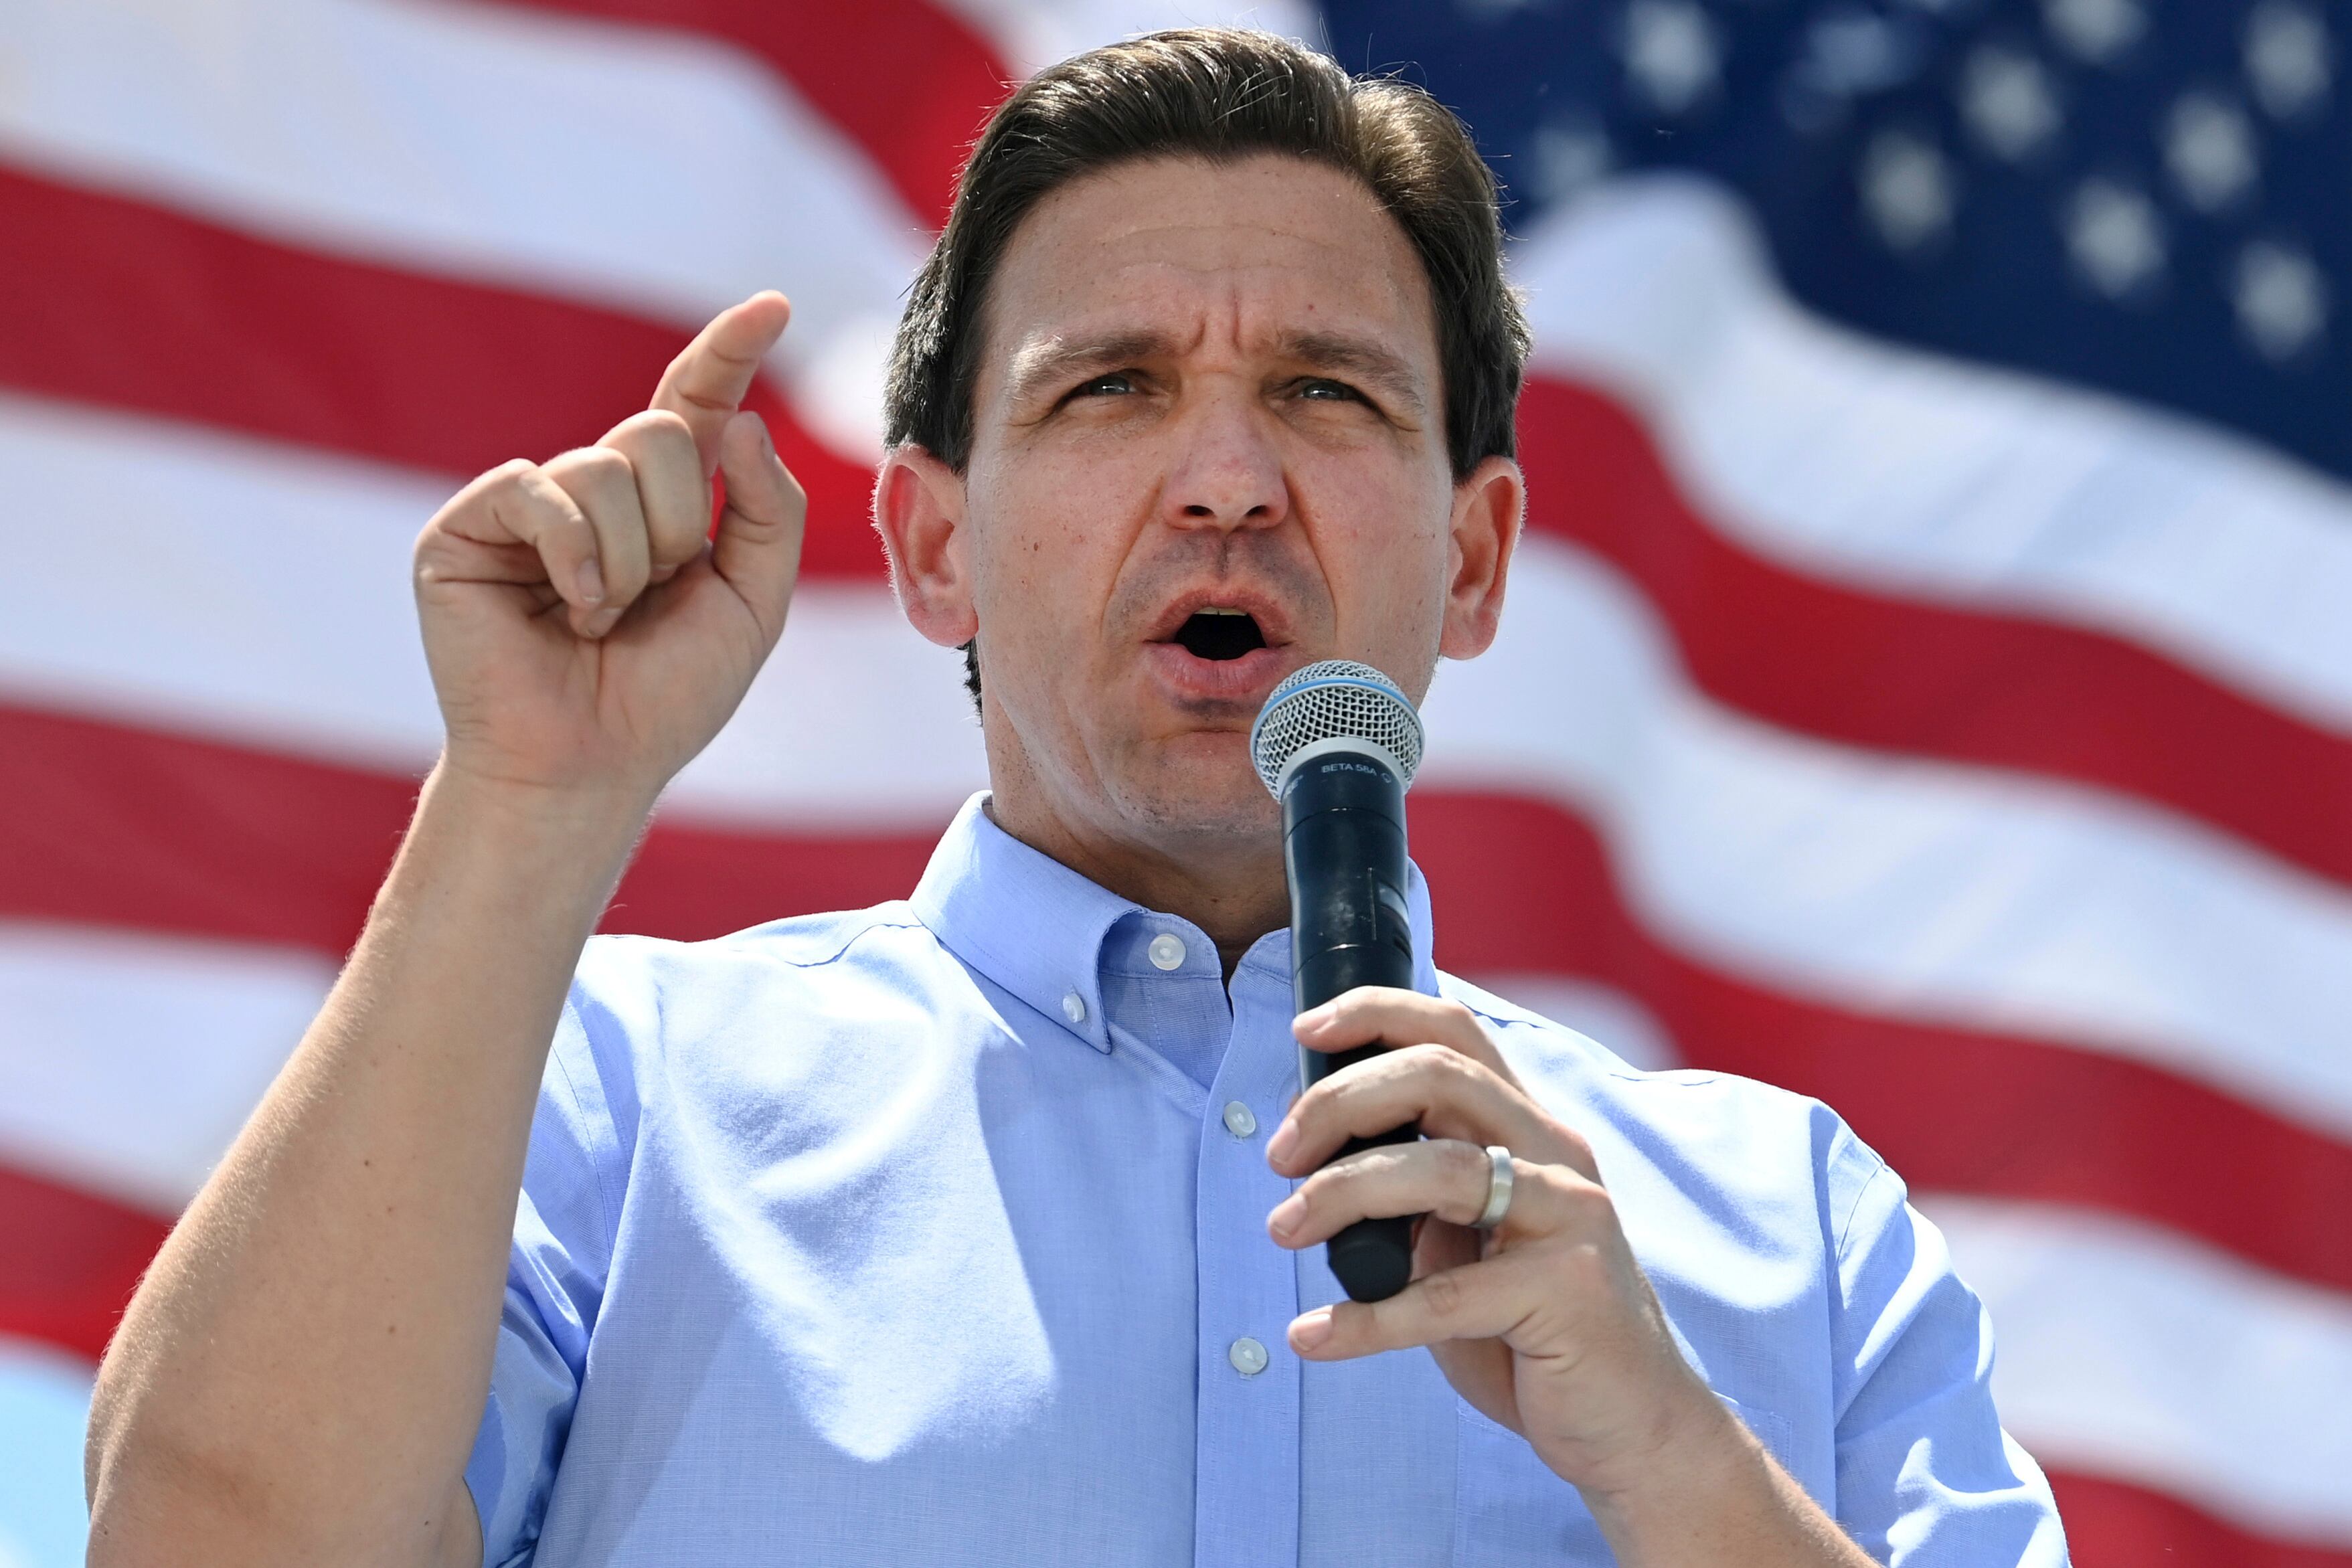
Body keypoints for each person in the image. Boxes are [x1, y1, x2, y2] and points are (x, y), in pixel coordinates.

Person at [83, 28, 2066, 1568]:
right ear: (933, 545)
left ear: (1471, 563)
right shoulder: (607, 1109)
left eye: (1326, 391)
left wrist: (1672, 1460)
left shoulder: (1789, 1230)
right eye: (1108, 386)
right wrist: (527, 795)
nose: (1227, 482)